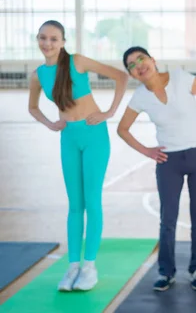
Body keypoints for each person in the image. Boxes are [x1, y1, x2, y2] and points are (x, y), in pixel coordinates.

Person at [28, 20, 128, 291]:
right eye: (42, 38)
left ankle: (90, 267)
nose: (47, 43)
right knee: (75, 205)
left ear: (62, 41)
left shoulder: (78, 61)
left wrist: (109, 112)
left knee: (92, 201)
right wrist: (50, 124)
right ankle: (73, 266)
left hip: (94, 136)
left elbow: (121, 76)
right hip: (68, 138)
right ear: (38, 40)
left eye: (53, 38)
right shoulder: (38, 74)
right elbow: (33, 108)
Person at [117, 46, 196, 292]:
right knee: (168, 219)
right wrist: (147, 151)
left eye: (141, 59)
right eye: (132, 64)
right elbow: (122, 129)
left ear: (153, 60)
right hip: (168, 162)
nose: (138, 65)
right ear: (132, 74)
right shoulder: (140, 97)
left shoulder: (179, 77)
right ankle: (166, 272)